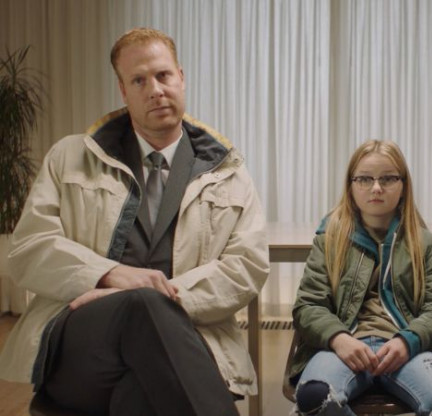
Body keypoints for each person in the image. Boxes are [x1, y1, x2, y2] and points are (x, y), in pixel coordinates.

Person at [0, 28, 269, 416]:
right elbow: (29, 249)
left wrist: (161, 297)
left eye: (163, 75)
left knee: (141, 391)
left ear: (181, 78)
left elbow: (246, 266)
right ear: (123, 91)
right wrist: (109, 276)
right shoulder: (69, 157)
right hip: (81, 342)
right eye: (139, 80)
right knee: (141, 309)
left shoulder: (229, 172)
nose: (155, 90)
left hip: (188, 338)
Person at [287, 140, 432, 416]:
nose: (376, 188)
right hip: (343, 347)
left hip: (408, 351)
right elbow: (308, 307)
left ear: (403, 185)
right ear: (351, 186)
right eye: (364, 179)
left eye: (387, 178)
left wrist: (408, 340)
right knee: (314, 398)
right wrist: (339, 338)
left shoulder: (425, 243)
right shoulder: (329, 240)